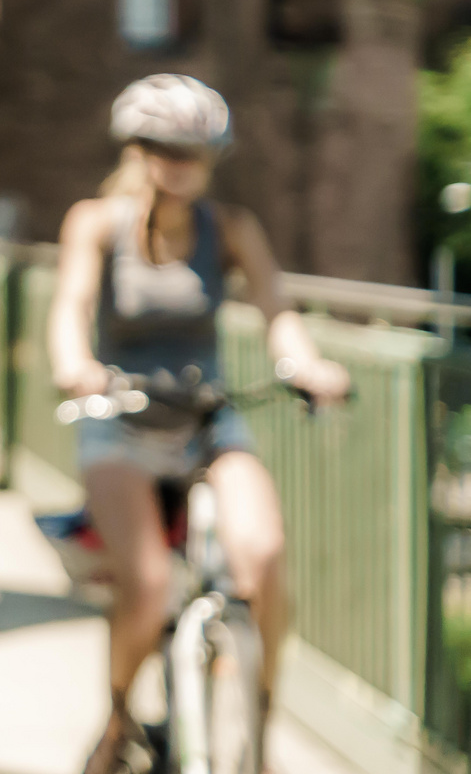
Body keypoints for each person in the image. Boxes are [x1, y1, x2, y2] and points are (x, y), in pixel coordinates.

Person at [46, 74, 350, 773]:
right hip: (118, 420)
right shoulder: (94, 221)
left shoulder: (232, 228)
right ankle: (116, 719)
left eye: (194, 151)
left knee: (263, 553)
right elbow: (69, 303)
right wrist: (74, 363)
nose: (178, 164)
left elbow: (277, 310)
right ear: (137, 149)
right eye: (163, 147)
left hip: (207, 420)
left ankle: (260, 726)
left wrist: (305, 365)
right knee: (147, 584)